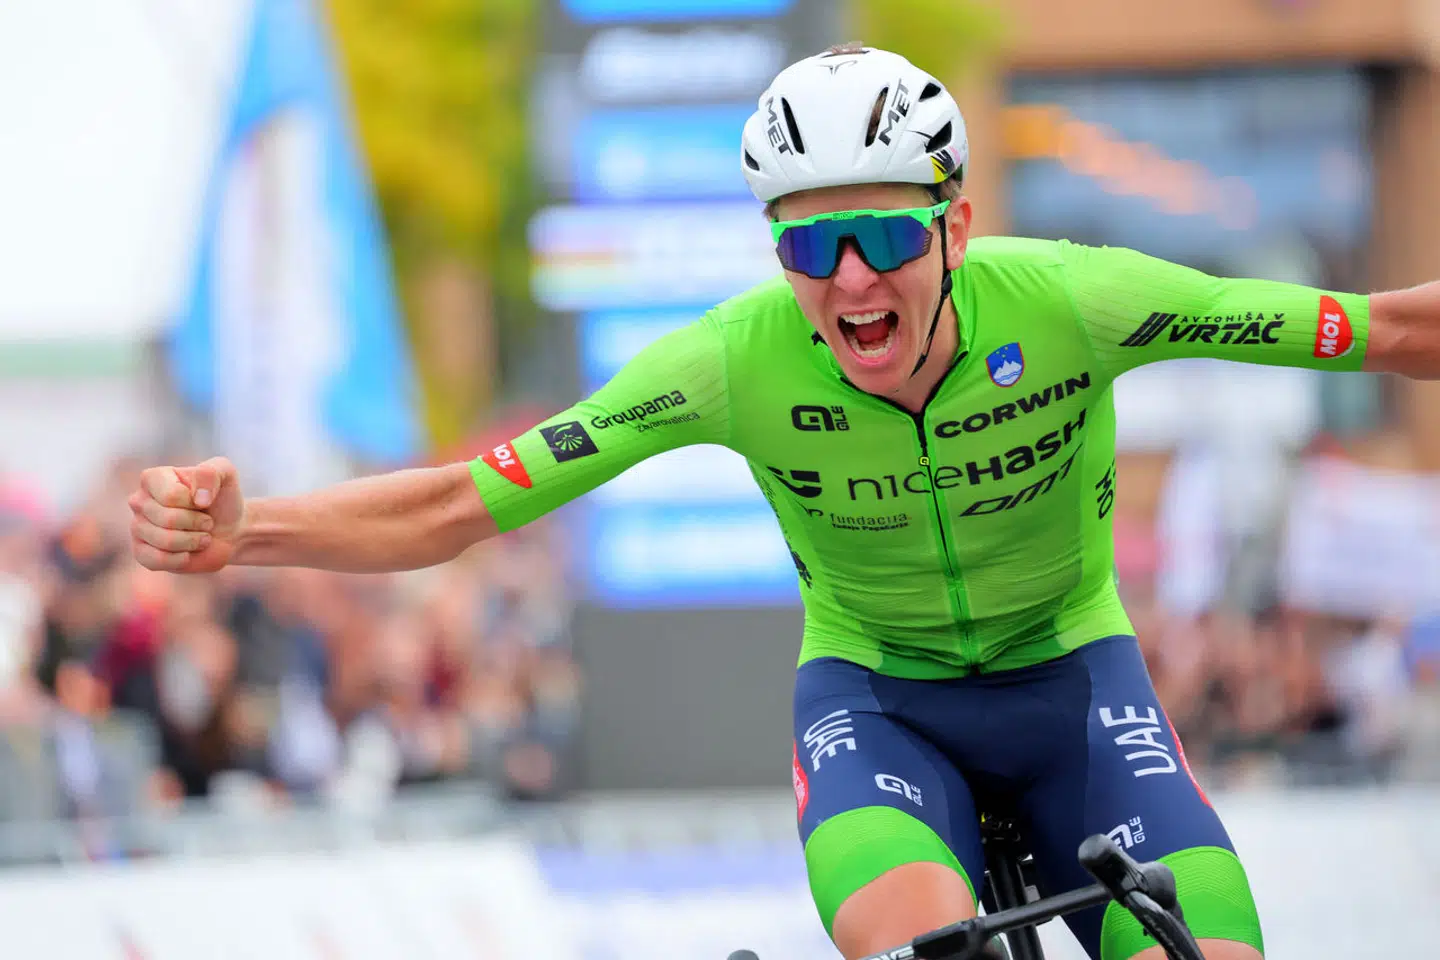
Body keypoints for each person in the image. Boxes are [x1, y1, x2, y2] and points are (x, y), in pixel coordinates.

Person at [128, 43, 1440, 960]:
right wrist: (253, 533)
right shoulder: (731, 359)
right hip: (882, 704)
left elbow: (1381, 330)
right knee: (929, 948)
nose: (850, 281)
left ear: (957, 227)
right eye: (811, 245)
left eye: (881, 237)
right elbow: (466, 509)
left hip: (1075, 686)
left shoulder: (1078, 302)